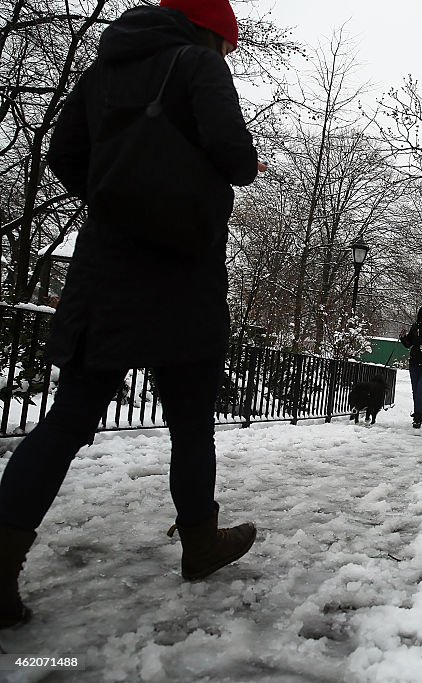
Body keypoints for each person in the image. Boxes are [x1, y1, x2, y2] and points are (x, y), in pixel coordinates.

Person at [0, 0, 265, 628]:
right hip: (181, 271)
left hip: (106, 271)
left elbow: (65, 155)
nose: (227, 55)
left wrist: (118, 191)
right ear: (212, 31)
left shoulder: (102, 71)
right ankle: (201, 544)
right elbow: (237, 157)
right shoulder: (198, 64)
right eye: (228, 45)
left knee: (66, 422)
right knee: (190, 422)